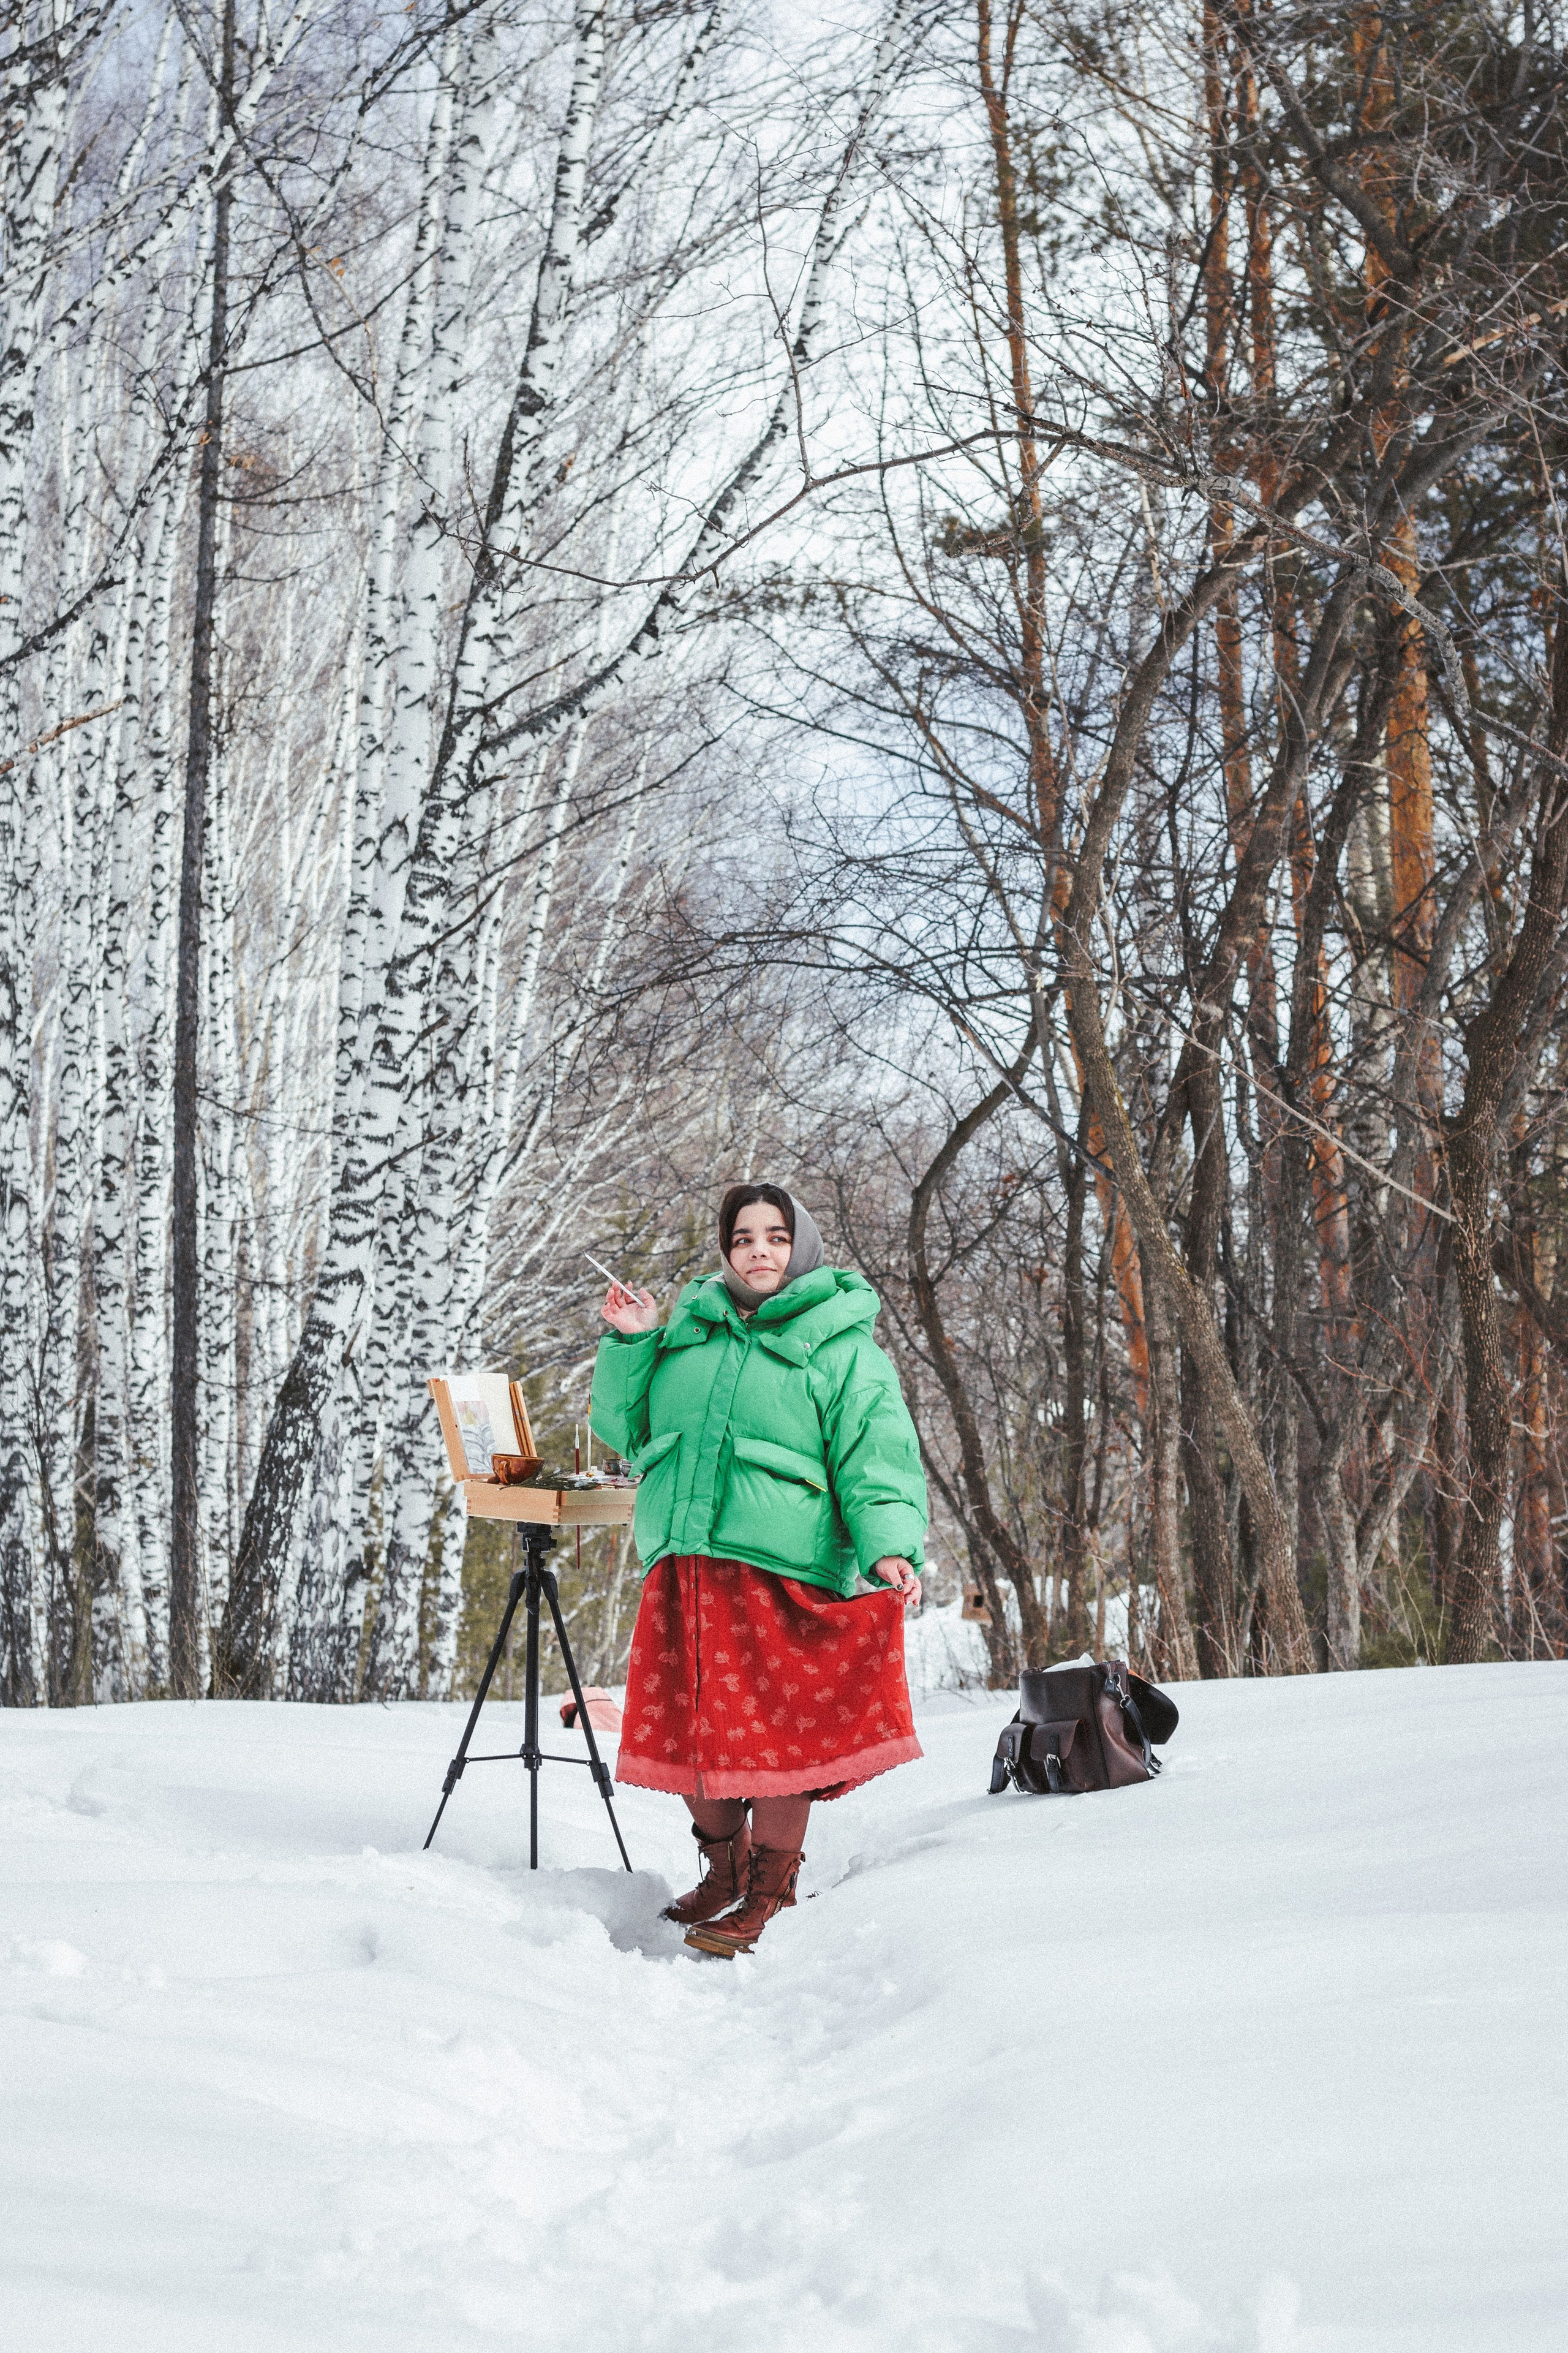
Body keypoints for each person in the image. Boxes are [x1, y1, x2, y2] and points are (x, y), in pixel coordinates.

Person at [590, 1184, 927, 1958]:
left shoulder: (841, 1344)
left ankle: (771, 1888)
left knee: (775, 1740)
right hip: (685, 1561)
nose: (759, 1251)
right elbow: (622, 1428)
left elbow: (875, 1456)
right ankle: (725, 1867)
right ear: (726, 1250)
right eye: (743, 1239)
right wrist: (635, 1341)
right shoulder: (686, 1330)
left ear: (799, 1245)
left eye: (775, 1237)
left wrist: (886, 1541)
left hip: (784, 1566)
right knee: (689, 1727)